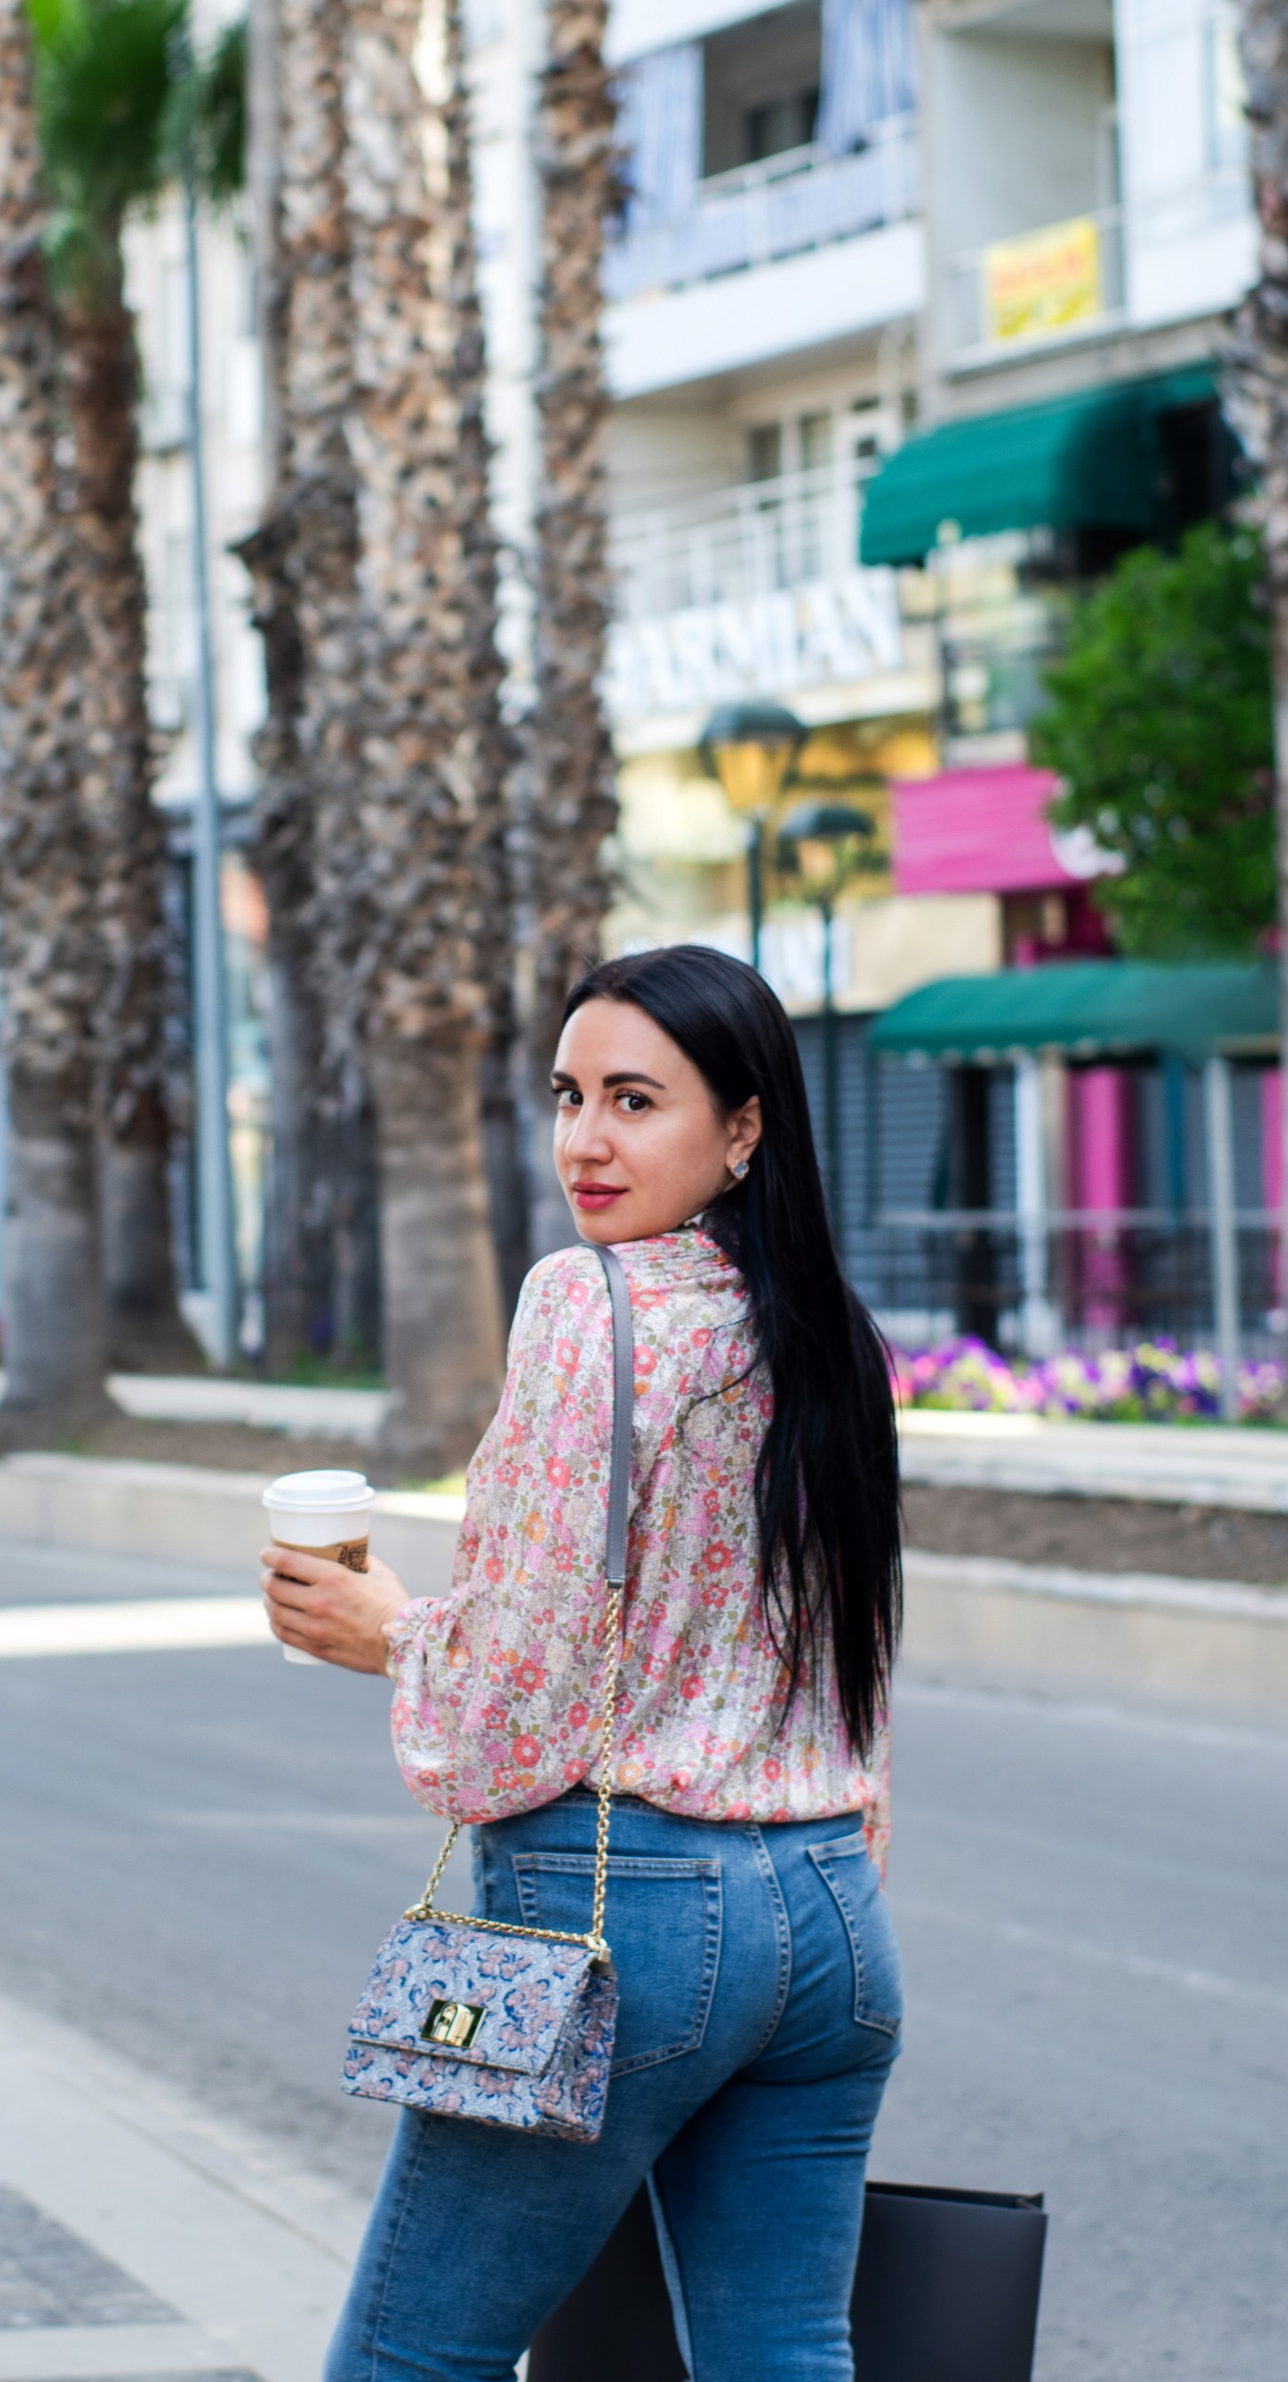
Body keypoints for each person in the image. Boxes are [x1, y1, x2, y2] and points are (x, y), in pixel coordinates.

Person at [263, 943, 906, 2382]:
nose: (586, 1141)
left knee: (411, 2358)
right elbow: (835, 1643)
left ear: (743, 1131)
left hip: (628, 1921)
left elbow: (514, 1704)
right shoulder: (831, 1337)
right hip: (832, 1919)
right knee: (785, 2355)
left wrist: (387, 1635)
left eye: (635, 1099)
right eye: (568, 1095)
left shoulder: (588, 1304)